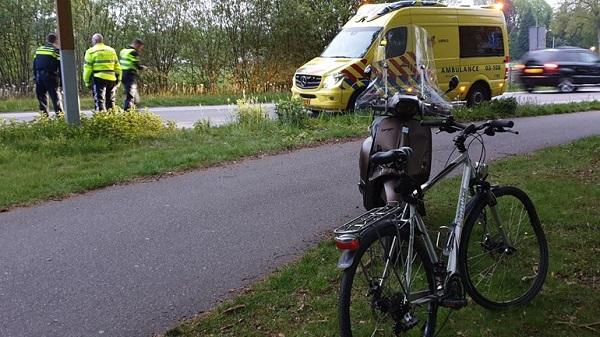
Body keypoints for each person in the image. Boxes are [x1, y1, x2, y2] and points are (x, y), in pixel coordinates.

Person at [83, 33, 122, 111]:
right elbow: (117, 67)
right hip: (112, 79)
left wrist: (87, 82)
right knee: (110, 102)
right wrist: (119, 80)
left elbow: (87, 69)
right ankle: (112, 119)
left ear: (94, 41)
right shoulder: (111, 50)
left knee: (100, 102)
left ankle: (101, 120)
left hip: (98, 78)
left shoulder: (90, 51)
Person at [33, 33, 63, 117]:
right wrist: (61, 83)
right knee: (55, 98)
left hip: (39, 76)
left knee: (42, 98)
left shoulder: (39, 50)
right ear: (56, 40)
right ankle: (60, 117)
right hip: (51, 76)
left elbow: (34, 65)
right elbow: (60, 67)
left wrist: (35, 77)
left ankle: (44, 118)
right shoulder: (56, 51)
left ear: (47, 40)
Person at [119, 39, 147, 110]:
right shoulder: (133, 52)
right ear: (137, 44)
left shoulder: (123, 51)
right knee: (131, 95)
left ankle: (133, 109)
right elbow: (136, 64)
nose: (140, 49)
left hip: (122, 75)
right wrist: (143, 68)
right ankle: (128, 112)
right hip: (130, 75)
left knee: (131, 94)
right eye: (140, 47)